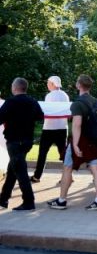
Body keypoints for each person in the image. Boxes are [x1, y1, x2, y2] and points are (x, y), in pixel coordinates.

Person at [47, 75, 97, 211]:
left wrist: (75, 144)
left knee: (68, 167)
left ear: (78, 85)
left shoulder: (78, 103)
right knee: (95, 168)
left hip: (81, 141)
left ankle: (61, 200)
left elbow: (77, 125)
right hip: (94, 140)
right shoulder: (94, 101)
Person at [0, 78, 44, 210]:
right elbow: (40, 116)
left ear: (15, 88)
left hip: (14, 141)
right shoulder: (32, 101)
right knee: (13, 169)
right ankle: (3, 198)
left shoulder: (11, 102)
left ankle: (29, 201)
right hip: (27, 141)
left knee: (20, 171)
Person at [31, 76, 68, 183]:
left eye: (48, 82)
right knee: (64, 153)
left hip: (49, 128)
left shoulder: (49, 96)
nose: (47, 84)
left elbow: (46, 111)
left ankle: (37, 176)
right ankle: (67, 176)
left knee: (42, 153)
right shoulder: (65, 95)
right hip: (62, 127)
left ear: (52, 84)